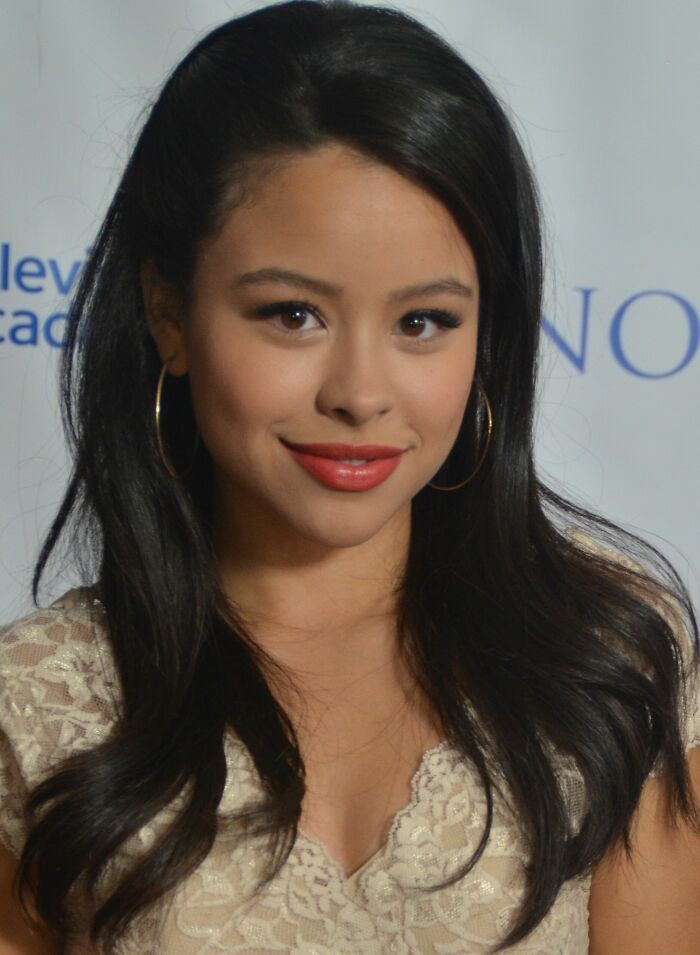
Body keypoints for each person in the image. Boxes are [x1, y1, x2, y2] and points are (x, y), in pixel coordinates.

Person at [1, 1, 698, 952]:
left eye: (423, 322)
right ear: (169, 313)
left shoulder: (610, 660)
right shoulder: (39, 706)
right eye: (292, 314)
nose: (362, 394)